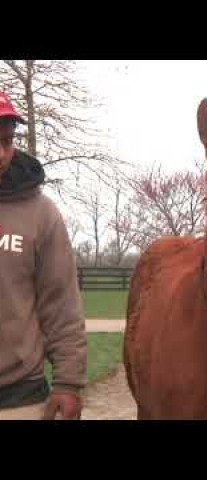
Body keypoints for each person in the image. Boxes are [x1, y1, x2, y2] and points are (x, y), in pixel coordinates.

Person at [0, 90, 86, 420]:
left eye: (7, 141)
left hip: (20, 398)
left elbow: (61, 302)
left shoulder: (41, 213)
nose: (1, 153)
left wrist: (68, 383)